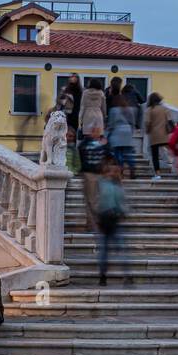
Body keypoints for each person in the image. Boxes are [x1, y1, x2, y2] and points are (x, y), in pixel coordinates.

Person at [96, 158, 131, 286]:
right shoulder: (114, 186)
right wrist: (124, 212)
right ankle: (125, 275)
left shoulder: (104, 184)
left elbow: (98, 202)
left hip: (106, 220)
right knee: (119, 249)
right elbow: (121, 204)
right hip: (110, 220)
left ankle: (103, 276)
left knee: (106, 250)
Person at [77, 123, 108, 230]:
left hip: (98, 174)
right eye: (95, 131)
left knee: (94, 200)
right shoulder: (87, 143)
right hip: (89, 174)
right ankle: (92, 223)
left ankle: (94, 223)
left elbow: (108, 155)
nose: (96, 133)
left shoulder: (102, 143)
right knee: (91, 200)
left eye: (98, 131)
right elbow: (80, 152)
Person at [144, 93, 171, 180]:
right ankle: (173, 163)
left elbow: (147, 122)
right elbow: (170, 120)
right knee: (171, 150)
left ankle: (158, 174)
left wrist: (147, 130)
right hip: (164, 134)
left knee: (155, 155)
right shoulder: (165, 109)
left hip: (154, 135)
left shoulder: (149, 110)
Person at [108, 104, 136, 177]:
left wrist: (109, 133)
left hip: (117, 132)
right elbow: (133, 123)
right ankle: (132, 167)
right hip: (127, 131)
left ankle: (120, 171)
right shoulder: (129, 109)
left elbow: (111, 124)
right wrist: (131, 132)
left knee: (118, 153)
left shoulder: (113, 109)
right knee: (128, 153)